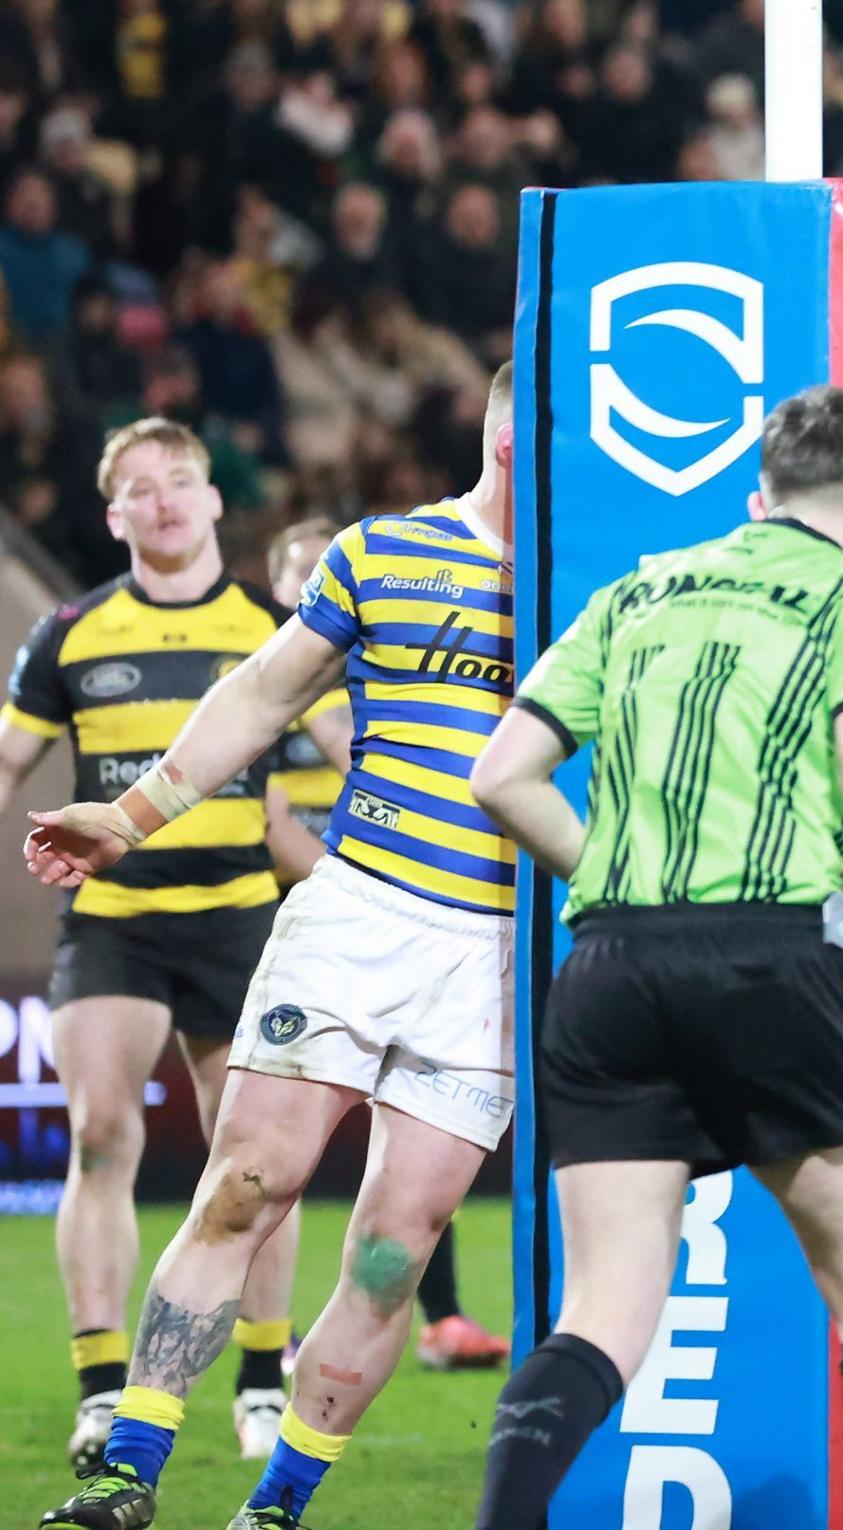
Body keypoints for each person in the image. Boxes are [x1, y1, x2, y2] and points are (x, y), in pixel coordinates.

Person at [466, 382, 843, 1530]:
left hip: (607, 967)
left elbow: (499, 775)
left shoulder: (637, 589)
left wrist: (610, 874)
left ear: (759, 496)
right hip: (770, 958)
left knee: (600, 1312)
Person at [31, 368, 520, 1530]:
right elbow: (262, 690)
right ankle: (126, 1477)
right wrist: (134, 812)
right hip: (359, 912)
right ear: (504, 425)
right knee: (247, 1181)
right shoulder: (387, 553)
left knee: (398, 1250)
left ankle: (278, 1507)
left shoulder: (603, 578)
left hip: (495, 955)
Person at [1, 419, 343, 1476]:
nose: (163, 502)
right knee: (102, 1137)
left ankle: (256, 1379)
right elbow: (8, 764)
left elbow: (351, 749)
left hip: (241, 917)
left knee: (260, 1163)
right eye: (140, 490)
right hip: (113, 919)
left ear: (211, 500)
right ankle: (105, 1392)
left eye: (180, 482)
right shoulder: (65, 635)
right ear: (113, 516)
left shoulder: (272, 630)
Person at [264, 518, 505, 1375]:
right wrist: (355, 874)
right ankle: (271, 1345)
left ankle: (440, 1316)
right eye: (296, 571)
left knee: (415, 1161)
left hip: (399, 912)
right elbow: (276, 824)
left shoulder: (369, 677)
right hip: (317, 918)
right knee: (268, 1165)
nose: (312, 582)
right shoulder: (282, 684)